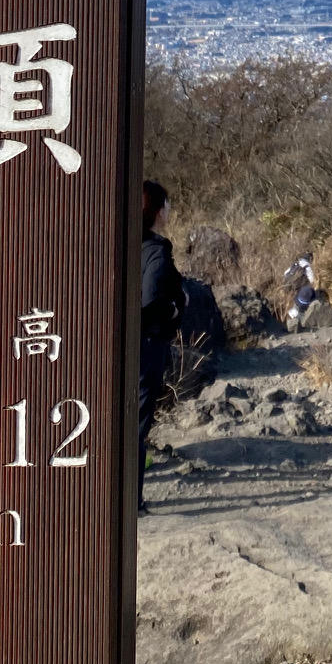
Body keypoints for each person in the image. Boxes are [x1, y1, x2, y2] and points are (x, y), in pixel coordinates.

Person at [137, 180, 185, 508]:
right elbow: (150, 297)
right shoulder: (156, 248)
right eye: (167, 204)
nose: (169, 210)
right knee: (137, 422)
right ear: (157, 209)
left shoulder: (119, 242)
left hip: (115, 348)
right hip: (147, 346)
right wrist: (174, 307)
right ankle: (132, 501)